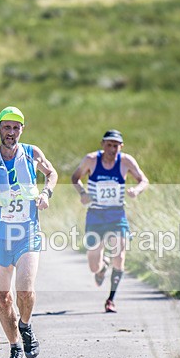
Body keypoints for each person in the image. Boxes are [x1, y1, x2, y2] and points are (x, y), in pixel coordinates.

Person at [0, 106, 58, 358]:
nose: (11, 132)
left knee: (25, 292)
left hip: (27, 233)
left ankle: (25, 325)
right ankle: (15, 347)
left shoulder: (32, 153)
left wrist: (46, 194)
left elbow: (51, 174)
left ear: (22, 129)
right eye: (6, 127)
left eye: (16, 127)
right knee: (3, 298)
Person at [70, 129, 149, 313]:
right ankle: (102, 267)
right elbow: (75, 177)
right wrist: (83, 193)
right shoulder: (91, 160)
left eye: (116, 146)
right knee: (93, 265)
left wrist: (136, 190)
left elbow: (143, 180)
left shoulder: (126, 161)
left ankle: (111, 300)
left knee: (119, 256)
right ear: (102, 144)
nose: (112, 149)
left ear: (121, 146)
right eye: (109, 145)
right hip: (95, 215)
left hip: (116, 215)